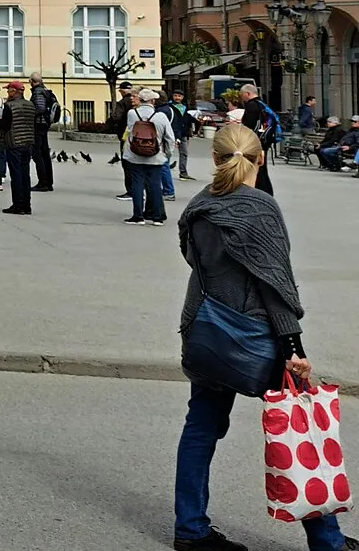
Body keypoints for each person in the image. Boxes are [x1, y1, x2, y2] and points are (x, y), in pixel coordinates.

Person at [173, 123, 352, 551]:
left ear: (213, 158)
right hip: (256, 336)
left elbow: (191, 259)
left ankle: (190, 530)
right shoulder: (259, 208)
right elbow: (276, 283)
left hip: (205, 330)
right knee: (302, 428)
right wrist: (295, 347)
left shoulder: (199, 205)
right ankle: (327, 541)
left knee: (200, 428)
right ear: (262, 157)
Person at [124, 88, 176, 226]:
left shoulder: (132, 114)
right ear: (153, 100)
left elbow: (129, 133)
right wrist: (167, 154)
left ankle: (138, 216)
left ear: (140, 100)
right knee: (155, 185)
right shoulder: (161, 116)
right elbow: (170, 138)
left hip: (135, 155)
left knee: (137, 184)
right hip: (155, 155)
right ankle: (157, 217)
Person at [2, 77, 37, 216]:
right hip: (28, 142)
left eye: (9, 90)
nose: (8, 93)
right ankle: (27, 205)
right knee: (25, 174)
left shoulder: (9, 106)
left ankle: (18, 205)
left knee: (16, 175)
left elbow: (5, 125)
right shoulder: (30, 105)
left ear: (13, 91)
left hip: (14, 142)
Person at [28, 74, 60, 191]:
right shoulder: (46, 90)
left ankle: (43, 182)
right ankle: (48, 182)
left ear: (32, 81)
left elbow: (40, 108)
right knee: (45, 153)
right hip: (45, 125)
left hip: (39, 125)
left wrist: (29, 113)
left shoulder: (38, 92)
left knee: (38, 154)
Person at [171, 88, 196, 180]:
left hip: (183, 133)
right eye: (175, 95)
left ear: (182, 97)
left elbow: (187, 121)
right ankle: (163, 168)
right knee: (167, 152)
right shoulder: (169, 106)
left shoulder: (185, 107)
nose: (177, 98)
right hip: (171, 132)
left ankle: (183, 172)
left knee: (184, 152)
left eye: (179, 96)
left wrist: (189, 133)